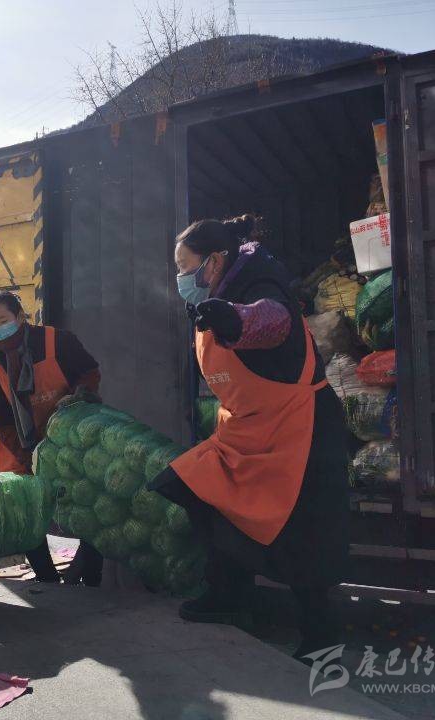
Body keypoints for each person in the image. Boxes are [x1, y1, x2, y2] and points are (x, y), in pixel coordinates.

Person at [149, 215, 350, 660]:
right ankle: (228, 594)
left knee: (302, 532)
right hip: (245, 430)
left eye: (185, 266)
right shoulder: (215, 295)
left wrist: (235, 320)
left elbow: (273, 321)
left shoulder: (261, 282)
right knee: (197, 490)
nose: (180, 277)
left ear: (214, 261)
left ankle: (321, 634)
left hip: (300, 430)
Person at [0, 291, 104, 586]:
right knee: (27, 511)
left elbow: (90, 372)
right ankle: (47, 578)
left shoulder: (57, 341)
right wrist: (31, 455)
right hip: (23, 445)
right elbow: (1, 421)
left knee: (91, 504)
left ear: (20, 316)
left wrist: (79, 396)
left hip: (72, 438)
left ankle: (89, 577)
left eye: (3, 320)